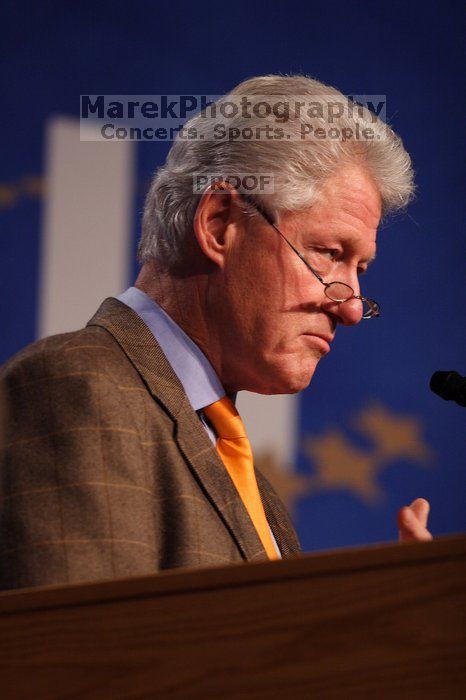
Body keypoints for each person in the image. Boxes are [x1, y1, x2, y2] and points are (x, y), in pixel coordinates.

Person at [0, 75, 432, 591]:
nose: (353, 308)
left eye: (361, 268)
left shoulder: (242, 474)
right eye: (330, 253)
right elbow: (84, 662)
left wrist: (401, 623)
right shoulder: (79, 389)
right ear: (220, 223)